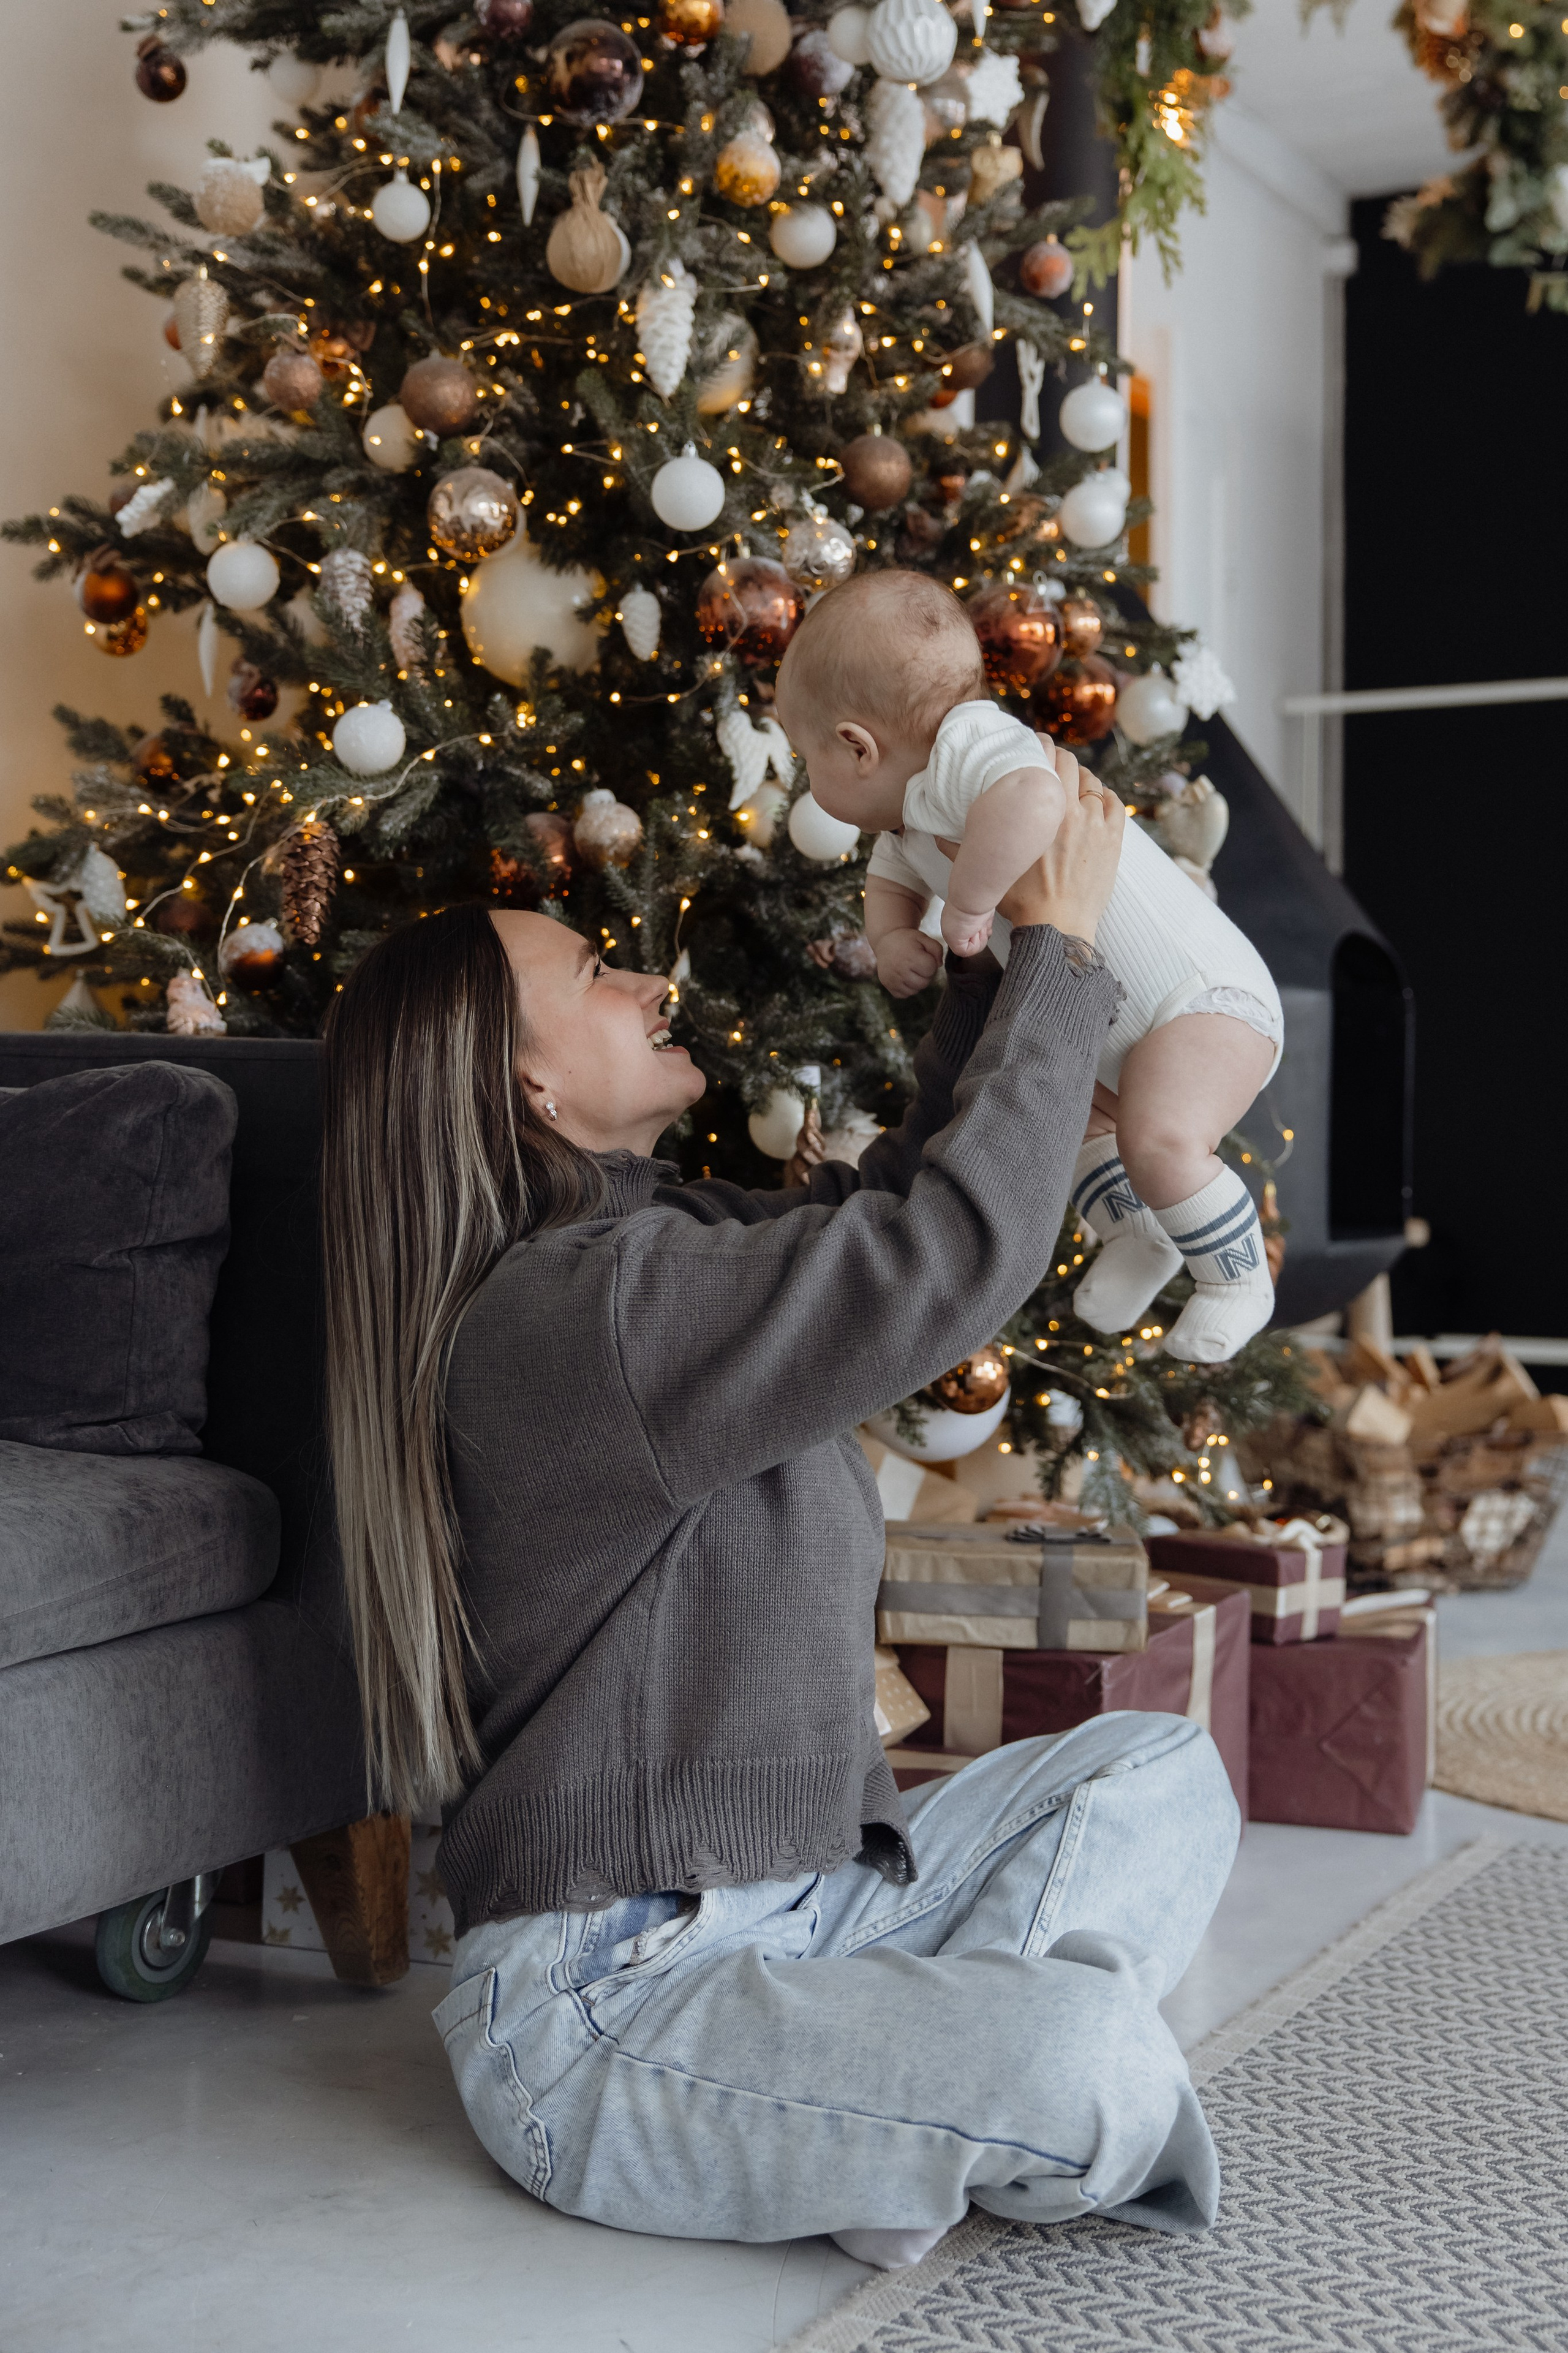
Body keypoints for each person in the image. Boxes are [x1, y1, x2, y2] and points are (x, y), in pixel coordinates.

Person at [318, 761, 1240, 2273]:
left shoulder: (656, 1242)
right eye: (594, 974)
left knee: (1163, 1768)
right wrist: (1064, 960)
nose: (647, 976)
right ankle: (933, 2095)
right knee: (1096, 2061)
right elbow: (930, 1264)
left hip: (811, 1902)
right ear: (527, 1086)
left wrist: (980, 967)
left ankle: (883, 2111)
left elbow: (872, 1224)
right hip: (610, 2004)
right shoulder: (578, 1314)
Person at [773, 568, 1284, 1365]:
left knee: (1159, 1137)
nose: (809, 778)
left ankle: (1239, 1279)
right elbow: (890, 883)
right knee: (1075, 1124)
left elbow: (1033, 802)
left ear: (856, 745)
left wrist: (972, 905)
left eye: (808, 759)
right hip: (1114, 1027)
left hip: (1200, 999)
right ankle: (1142, 1238)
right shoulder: (908, 821)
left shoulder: (973, 747)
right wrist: (896, 937)